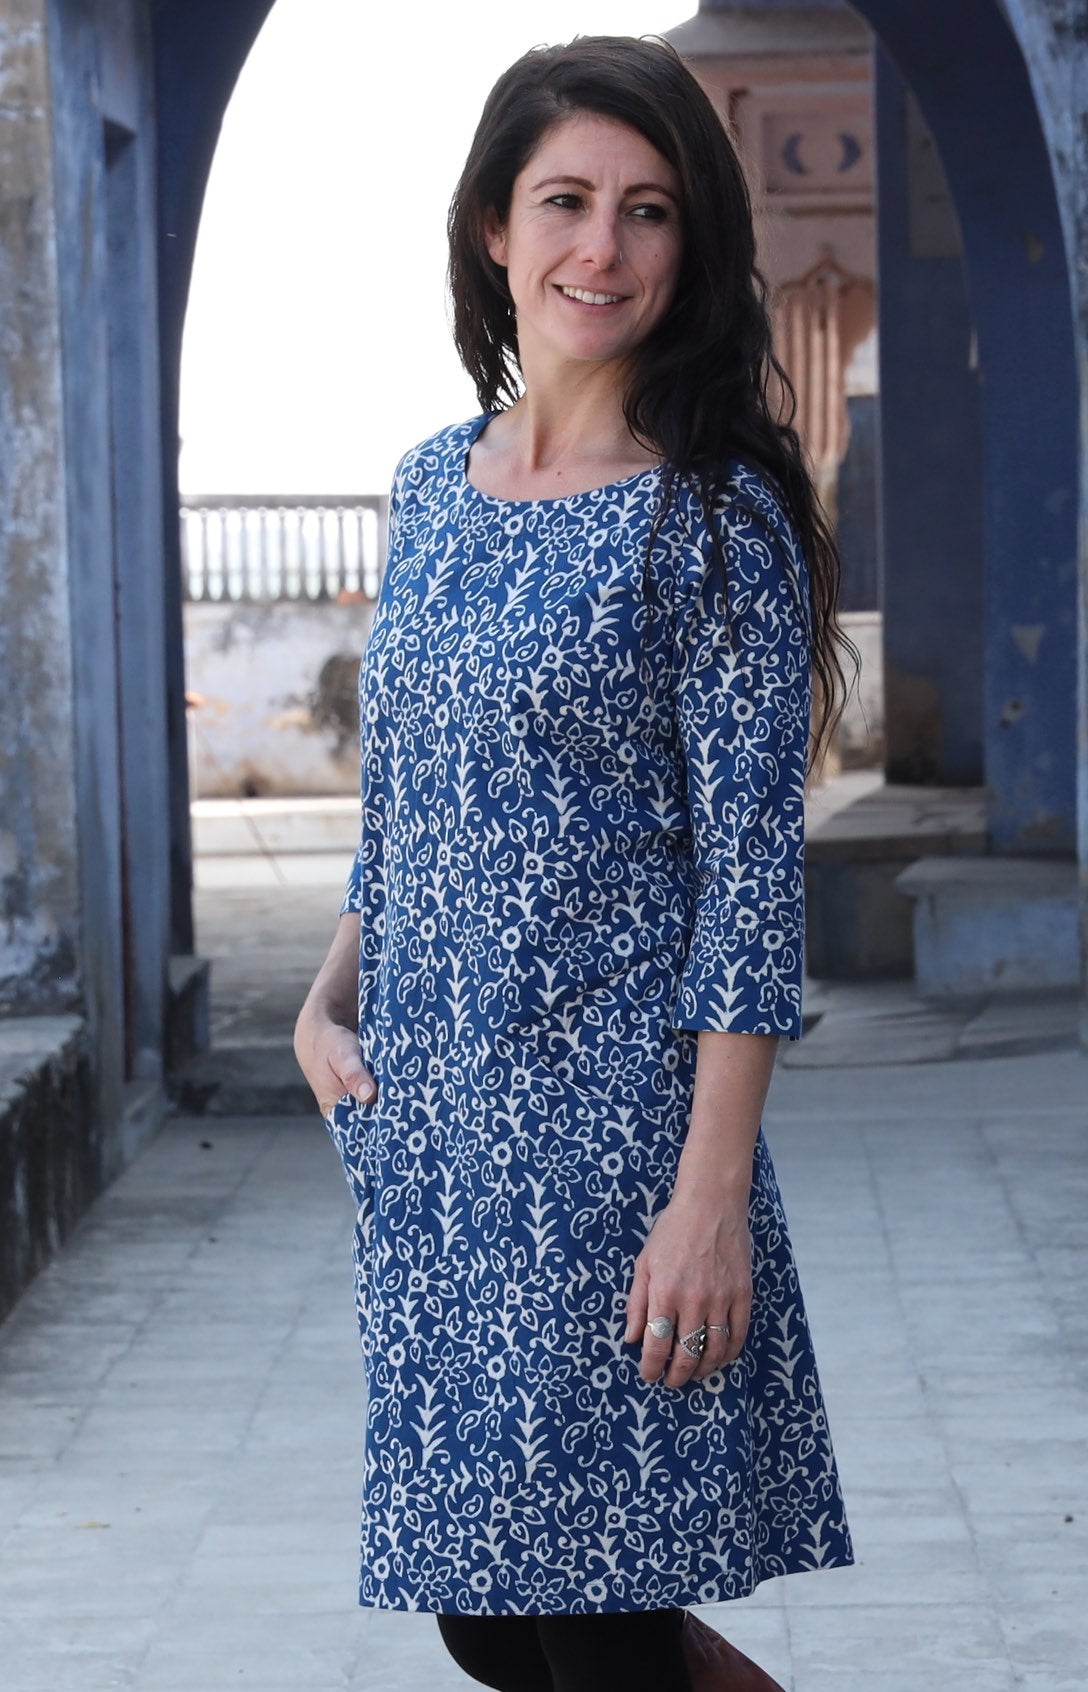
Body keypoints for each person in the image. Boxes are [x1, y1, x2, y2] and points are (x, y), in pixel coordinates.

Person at [294, 33, 856, 1692]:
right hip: (438, 1145)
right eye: (563, 202)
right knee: (491, 1614)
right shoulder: (430, 486)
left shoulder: (713, 520)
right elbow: (405, 806)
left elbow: (752, 887)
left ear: (691, 253)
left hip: (613, 1149)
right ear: (493, 228)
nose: (599, 248)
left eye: (647, 211)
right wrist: (328, 1003)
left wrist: (710, 1204)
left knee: (595, 1627)